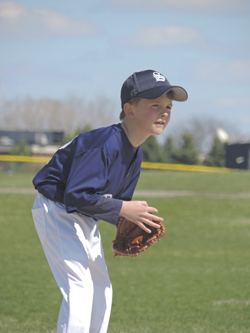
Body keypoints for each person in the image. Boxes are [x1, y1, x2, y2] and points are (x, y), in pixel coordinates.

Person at [31, 69, 188, 333]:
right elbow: (76, 195)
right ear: (130, 109)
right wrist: (124, 210)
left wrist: (123, 221)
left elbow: (106, 203)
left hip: (83, 216)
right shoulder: (106, 143)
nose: (164, 112)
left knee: (102, 286)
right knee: (79, 286)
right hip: (57, 210)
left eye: (169, 107)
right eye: (155, 105)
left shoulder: (134, 154)